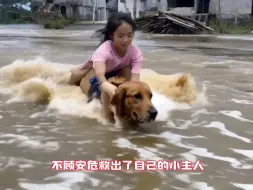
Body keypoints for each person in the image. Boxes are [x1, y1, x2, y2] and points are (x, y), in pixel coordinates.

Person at [69, 12, 144, 101]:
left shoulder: (135, 52)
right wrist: (105, 84)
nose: (125, 40)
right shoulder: (104, 50)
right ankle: (67, 85)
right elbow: (99, 73)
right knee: (77, 73)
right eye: (120, 36)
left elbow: (135, 80)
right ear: (112, 35)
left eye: (129, 35)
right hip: (95, 67)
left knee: (127, 69)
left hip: (118, 67)